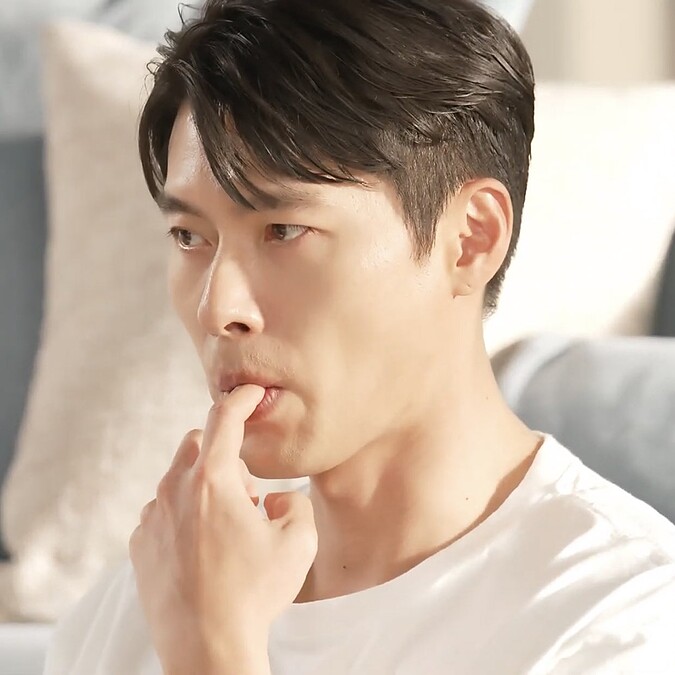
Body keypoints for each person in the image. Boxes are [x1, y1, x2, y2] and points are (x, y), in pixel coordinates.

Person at [44, 0, 675, 673]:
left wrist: (212, 649)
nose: (218, 307)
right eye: (189, 236)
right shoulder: (153, 593)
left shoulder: (621, 620)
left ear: (470, 239)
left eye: (283, 230)